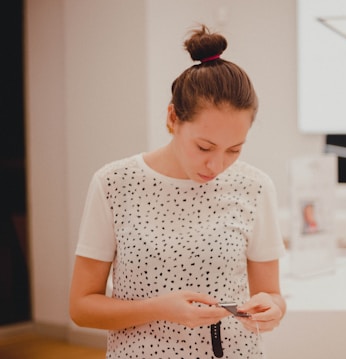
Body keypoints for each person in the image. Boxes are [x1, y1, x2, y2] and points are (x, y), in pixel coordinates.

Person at [69, 25, 286, 358]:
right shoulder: (114, 183)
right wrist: (159, 308)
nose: (216, 165)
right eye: (204, 147)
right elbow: (82, 307)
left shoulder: (255, 187)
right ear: (172, 118)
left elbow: (271, 293)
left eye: (234, 150)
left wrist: (272, 309)